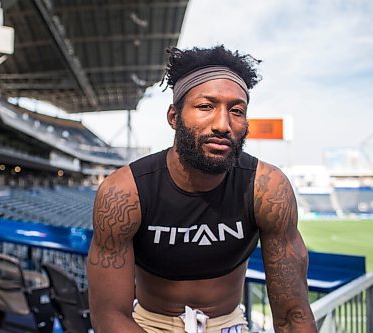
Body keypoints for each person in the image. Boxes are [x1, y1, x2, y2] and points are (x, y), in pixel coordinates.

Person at [87, 45, 317, 333]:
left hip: (228, 323)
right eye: (206, 106)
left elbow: (293, 314)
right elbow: (109, 316)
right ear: (174, 117)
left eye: (236, 111)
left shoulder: (267, 188)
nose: (223, 124)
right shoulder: (123, 192)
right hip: (145, 325)